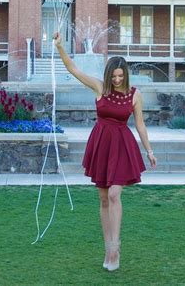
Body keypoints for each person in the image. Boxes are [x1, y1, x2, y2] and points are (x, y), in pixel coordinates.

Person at [53, 33, 157, 272]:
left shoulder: (135, 95)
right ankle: (107, 245)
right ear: (108, 74)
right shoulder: (99, 87)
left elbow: (140, 124)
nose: (118, 79)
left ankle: (115, 247)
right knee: (102, 198)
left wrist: (149, 150)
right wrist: (59, 47)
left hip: (122, 146)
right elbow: (74, 69)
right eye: (114, 75)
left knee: (113, 195)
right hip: (101, 144)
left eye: (121, 76)